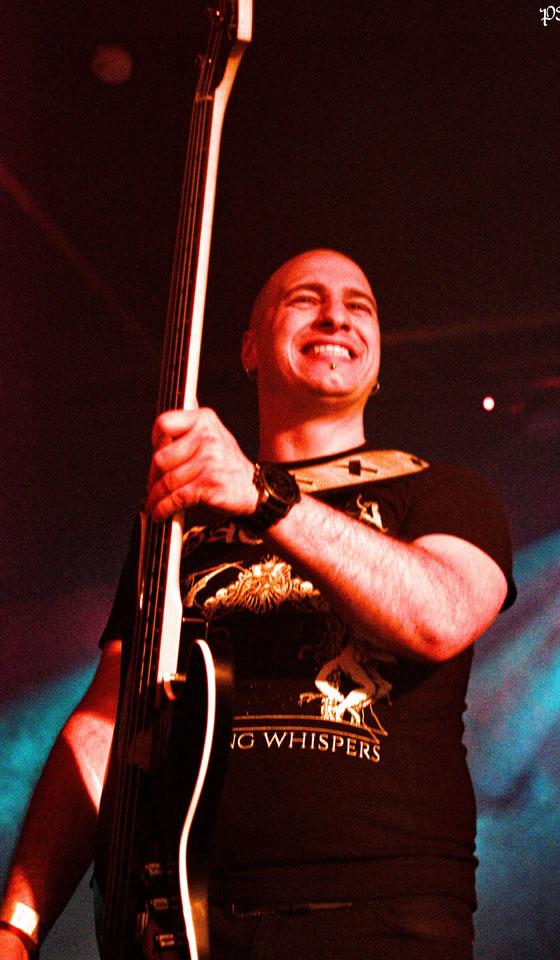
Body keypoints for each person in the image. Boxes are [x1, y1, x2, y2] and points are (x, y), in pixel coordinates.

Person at [0, 248, 515, 959]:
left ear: (377, 359)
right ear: (249, 348)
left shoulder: (441, 492)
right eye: (305, 299)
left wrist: (262, 496)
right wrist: (17, 925)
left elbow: (440, 616)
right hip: (184, 920)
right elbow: (107, 725)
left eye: (359, 307)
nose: (335, 316)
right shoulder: (179, 525)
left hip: (374, 918)